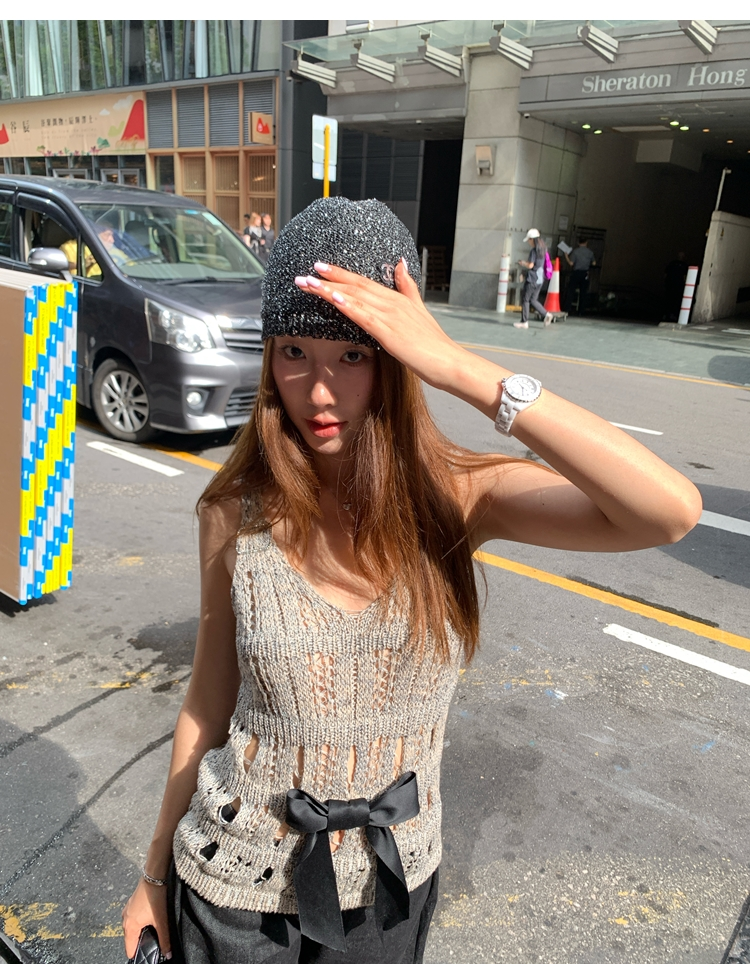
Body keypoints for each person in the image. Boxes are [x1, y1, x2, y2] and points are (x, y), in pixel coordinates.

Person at [122, 198, 702, 964]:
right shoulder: (235, 512)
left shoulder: (457, 498)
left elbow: (667, 511)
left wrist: (458, 367)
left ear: (399, 361)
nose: (318, 391)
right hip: (235, 887)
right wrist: (153, 874)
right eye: (293, 352)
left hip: (391, 886)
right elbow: (207, 701)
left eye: (352, 356)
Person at [514, 228, 553, 329]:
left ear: (532, 239)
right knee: (533, 300)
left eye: (528, 240)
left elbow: (530, 265)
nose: (528, 242)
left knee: (525, 300)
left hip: (532, 278)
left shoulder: (534, 250)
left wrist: (523, 263)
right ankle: (547, 314)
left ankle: (524, 322)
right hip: (540, 279)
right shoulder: (543, 249)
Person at [563, 238, 596, 316]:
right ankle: (581, 311)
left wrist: (566, 256)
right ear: (586, 242)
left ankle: (567, 309)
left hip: (576, 273)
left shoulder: (575, 251)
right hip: (585, 273)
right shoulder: (590, 252)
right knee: (583, 293)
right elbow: (594, 263)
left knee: (571, 291)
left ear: (578, 243)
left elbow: (571, 263)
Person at [664, 252, 689, 321]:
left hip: (672, 284)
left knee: (670, 300)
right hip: (676, 285)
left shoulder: (673, 264)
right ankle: (671, 314)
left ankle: (668, 314)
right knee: (674, 300)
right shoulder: (683, 265)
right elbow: (685, 277)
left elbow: (665, 274)